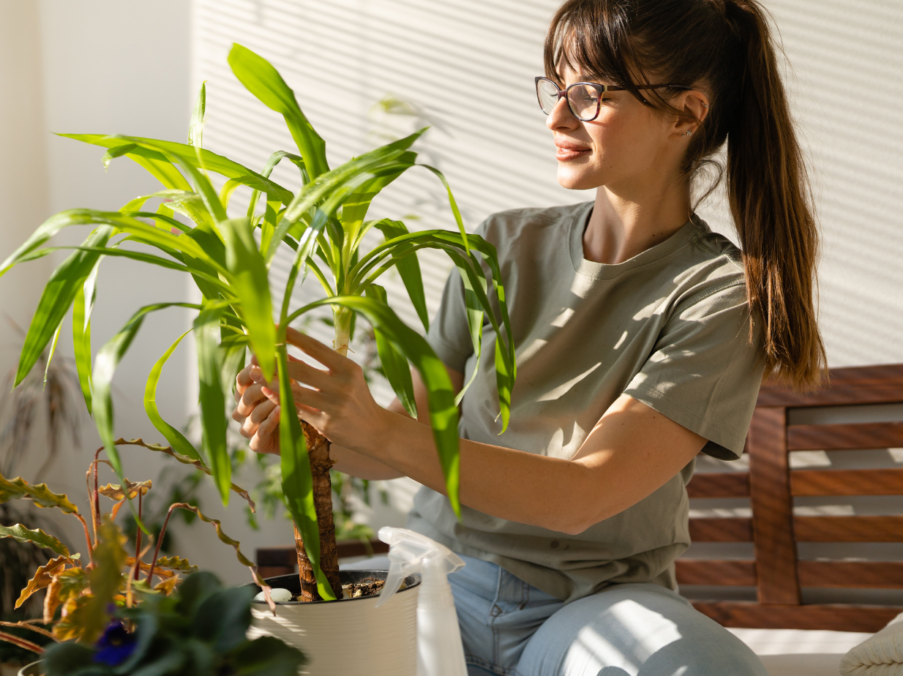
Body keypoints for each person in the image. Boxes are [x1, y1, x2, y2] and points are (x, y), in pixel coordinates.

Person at [231, 0, 825, 673]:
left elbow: (583, 496)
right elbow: (412, 439)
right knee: (228, 638)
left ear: (686, 114)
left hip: (590, 605)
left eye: (589, 93)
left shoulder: (721, 294)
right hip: (439, 583)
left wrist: (384, 432)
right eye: (556, 87)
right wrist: (325, 435)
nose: (556, 117)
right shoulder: (500, 244)